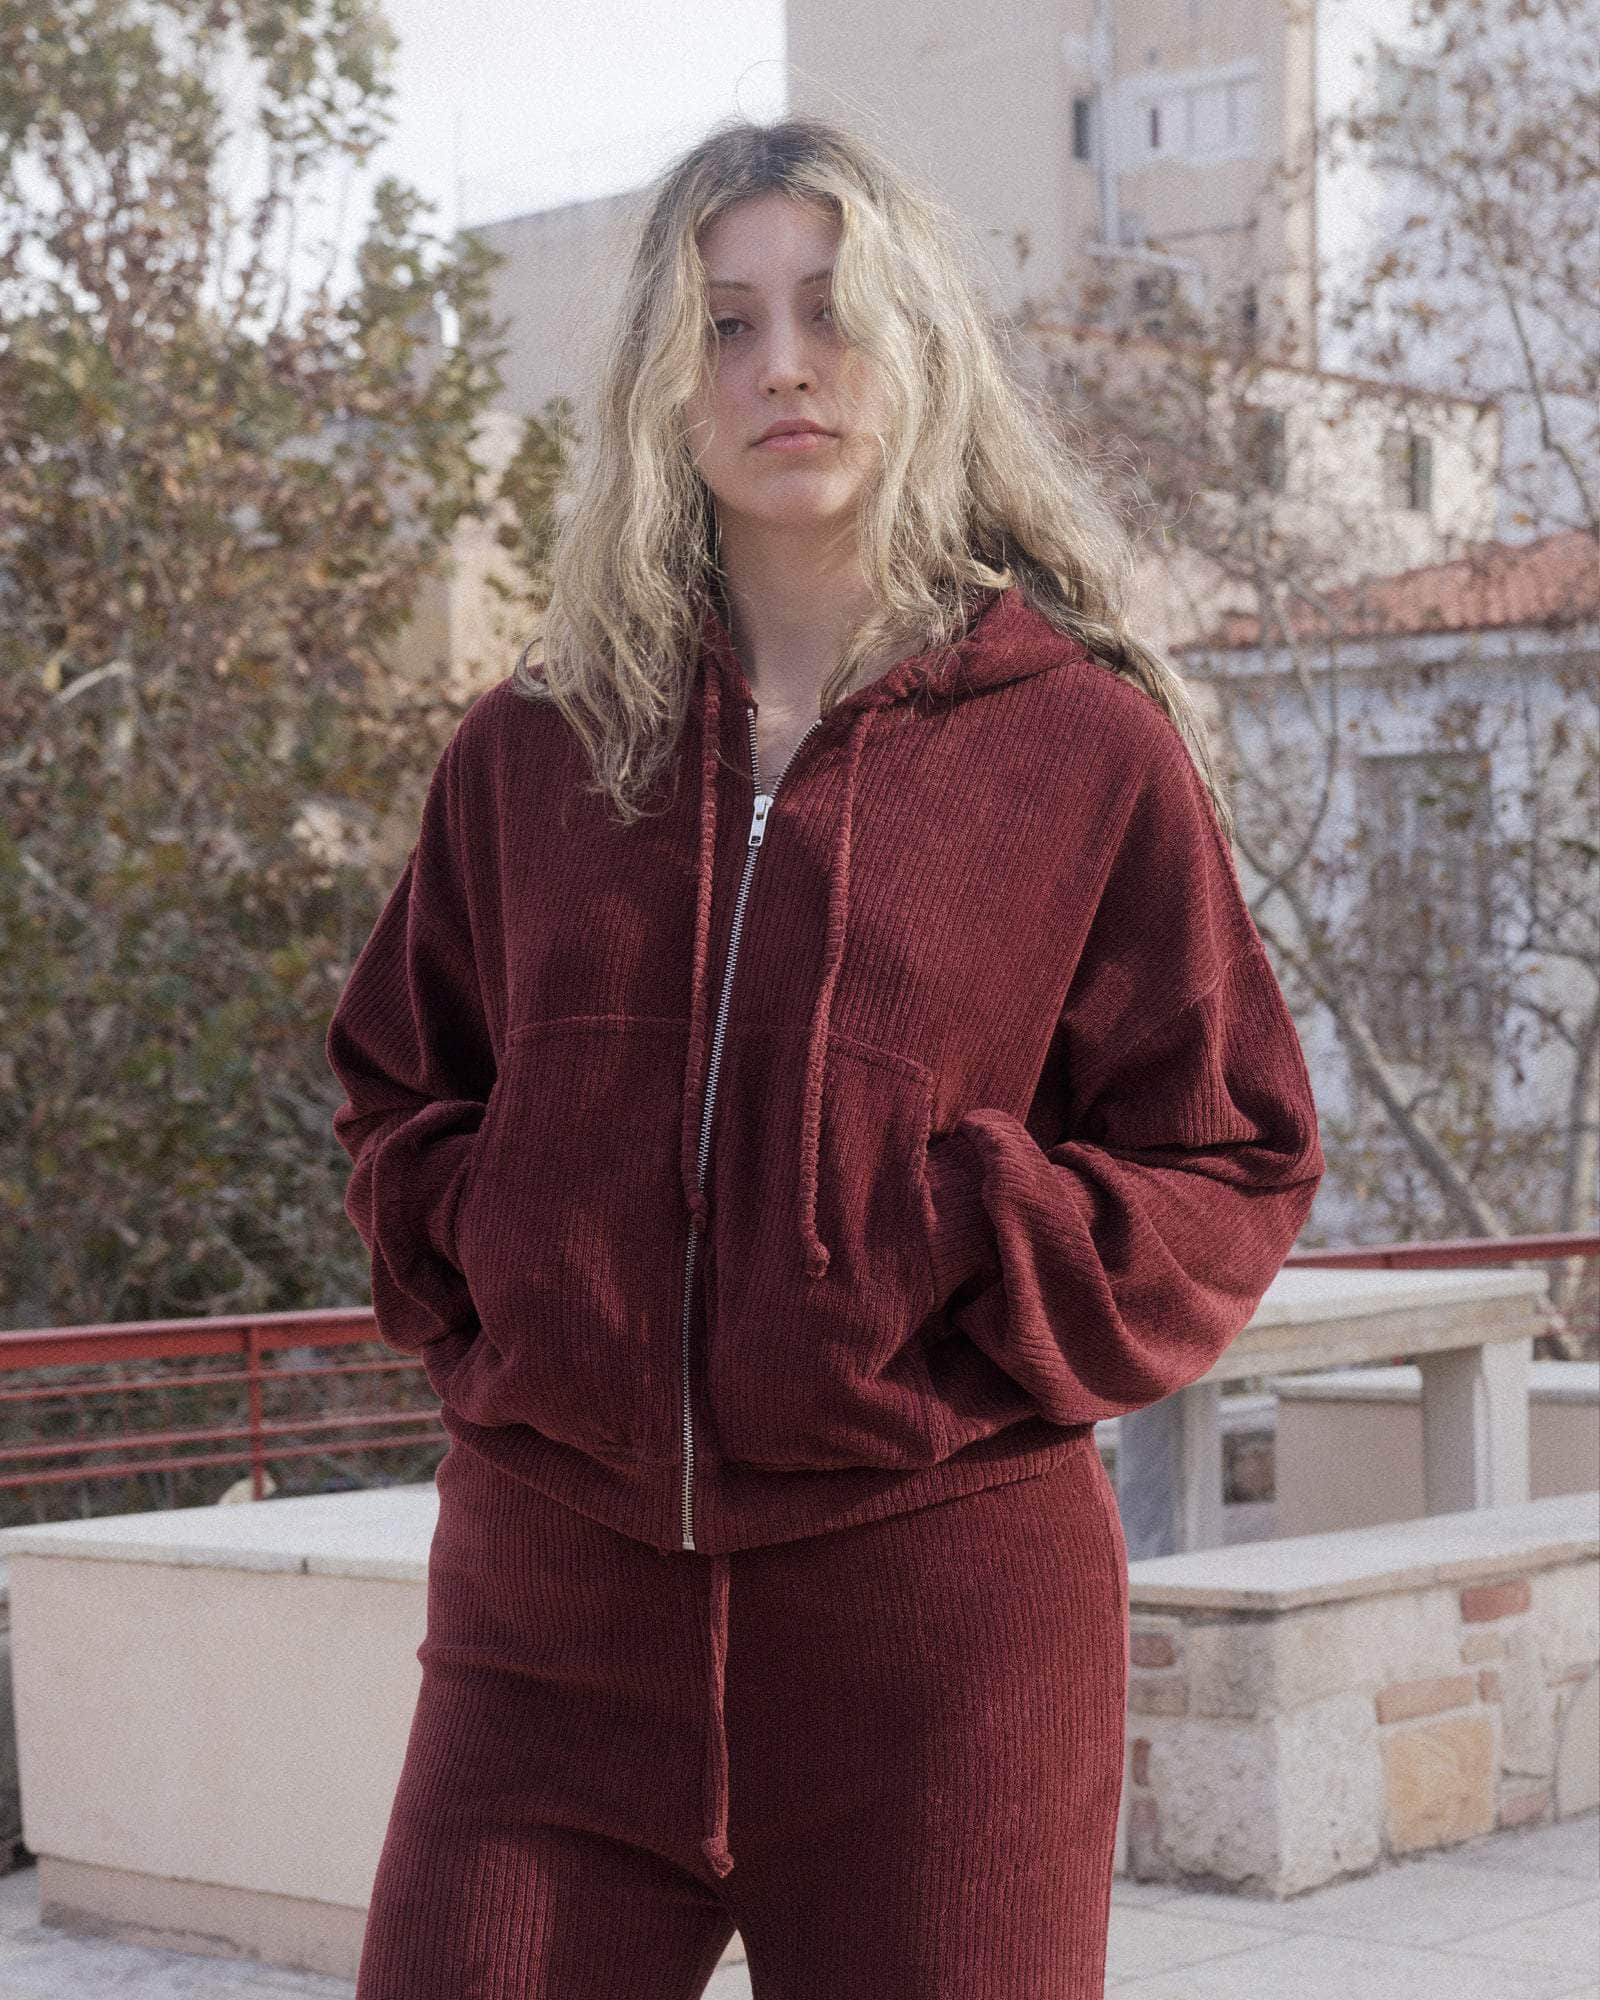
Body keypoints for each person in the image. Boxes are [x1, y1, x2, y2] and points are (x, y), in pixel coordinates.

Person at [325, 116, 1324, 2000]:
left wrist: (960, 1242)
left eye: (831, 309)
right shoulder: (540, 747)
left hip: (942, 1638)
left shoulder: (1079, 746)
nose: (782, 364)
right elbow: (400, 1086)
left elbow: (1232, 1151)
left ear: (919, 343)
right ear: (662, 379)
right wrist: (511, 1257)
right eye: (725, 323)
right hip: (551, 1622)